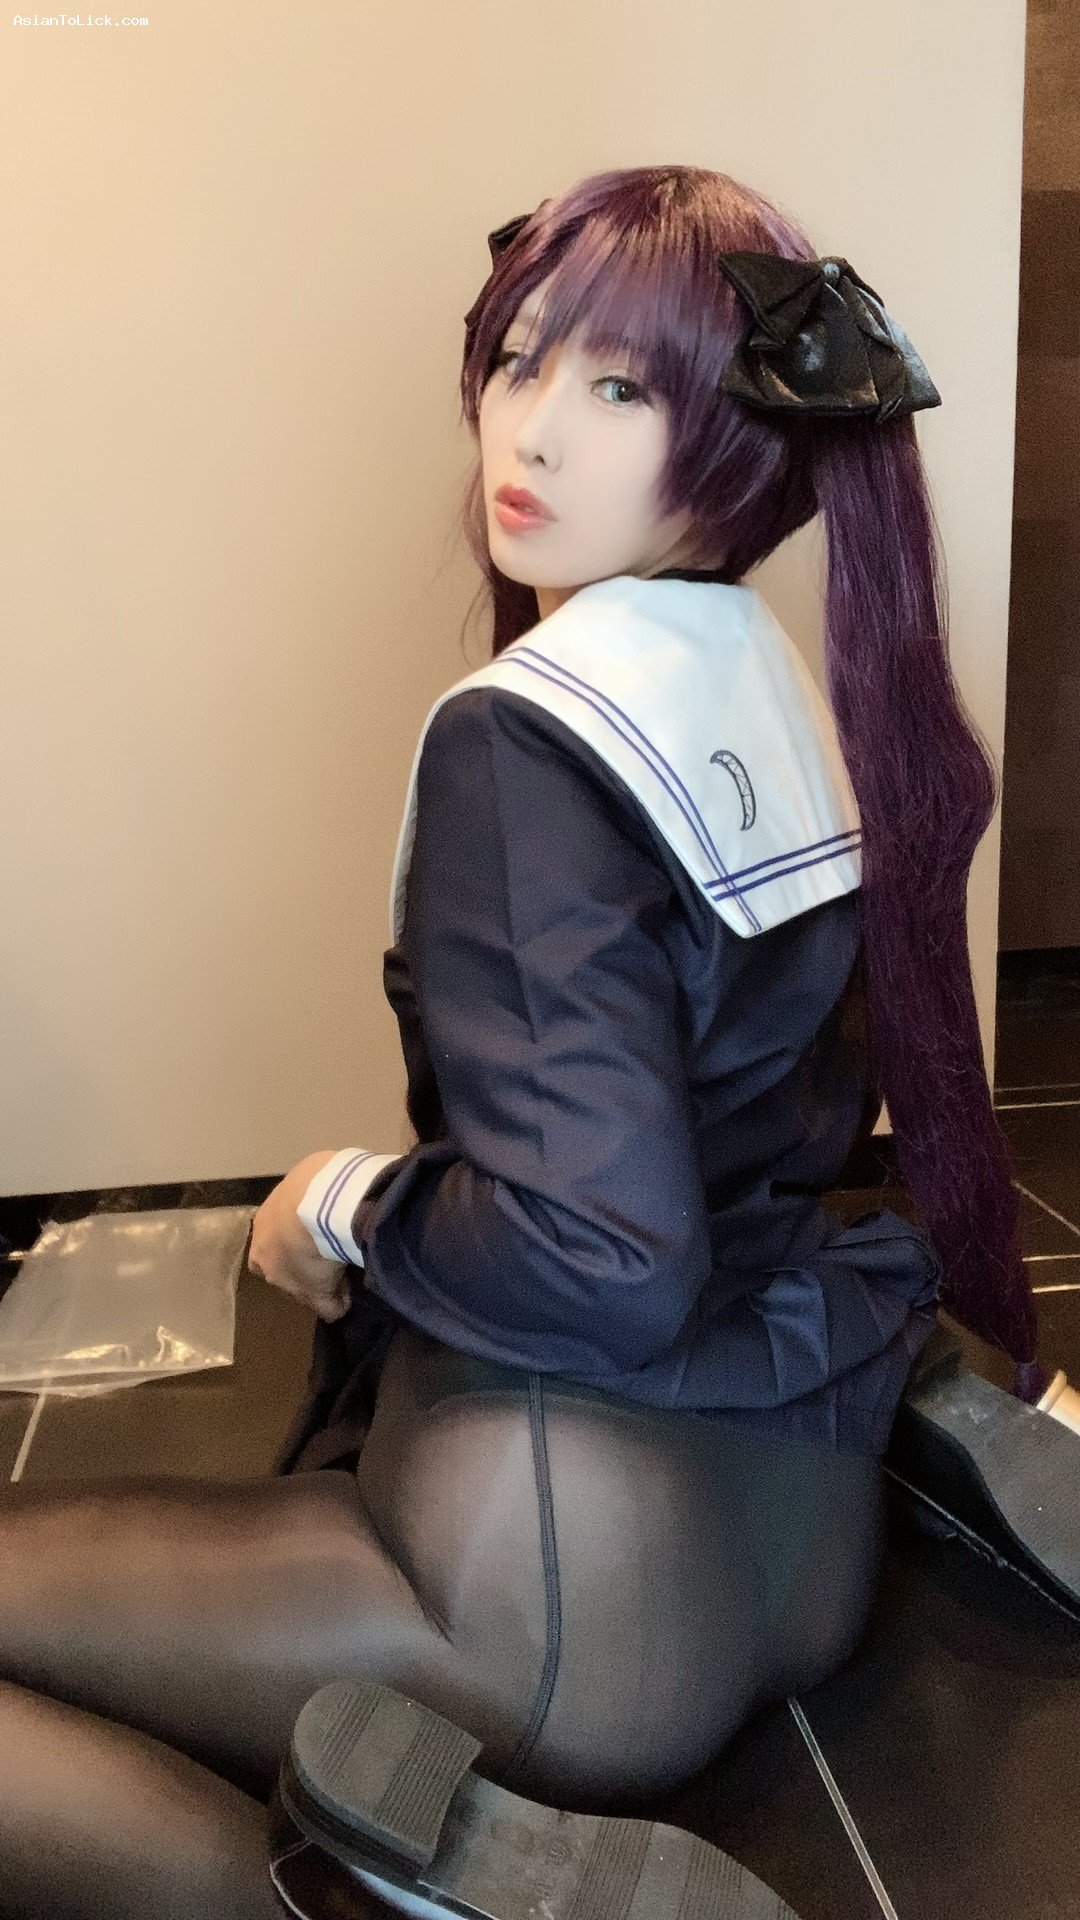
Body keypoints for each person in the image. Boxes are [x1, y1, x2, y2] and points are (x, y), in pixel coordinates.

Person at [0, 161, 1042, 1920]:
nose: (534, 428)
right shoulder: (774, 677)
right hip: (798, 1538)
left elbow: (608, 1255)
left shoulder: (528, 745)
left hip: (564, 1595)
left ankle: (366, 1900)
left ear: (740, 432)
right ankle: (411, 1835)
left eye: (621, 386)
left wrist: (346, 1205)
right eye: (519, 357)